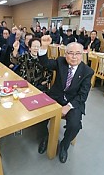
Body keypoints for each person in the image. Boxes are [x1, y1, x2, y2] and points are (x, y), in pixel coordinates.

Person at [37, 35, 94, 163]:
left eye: (78, 53)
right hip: (55, 97)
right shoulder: (60, 61)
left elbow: (83, 95)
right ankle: (46, 137)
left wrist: (68, 106)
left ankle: (64, 145)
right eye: (71, 53)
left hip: (74, 101)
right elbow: (45, 63)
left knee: (75, 125)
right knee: (39, 115)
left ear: (82, 54)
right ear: (65, 54)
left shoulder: (87, 71)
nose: (74, 57)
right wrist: (44, 46)